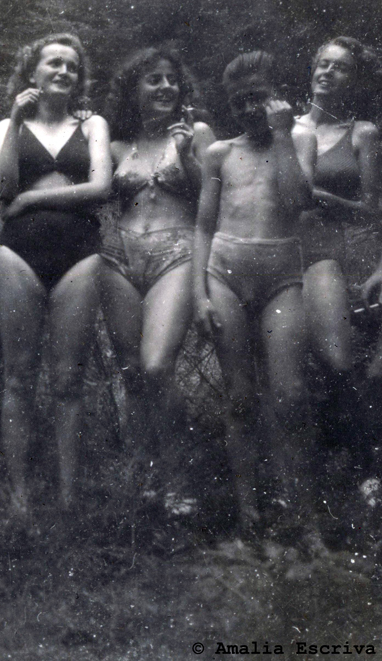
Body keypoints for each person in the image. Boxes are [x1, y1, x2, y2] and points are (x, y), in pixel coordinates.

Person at [192, 52, 320, 546]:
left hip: (281, 272)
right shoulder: (219, 153)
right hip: (225, 271)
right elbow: (204, 226)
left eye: (259, 98)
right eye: (239, 101)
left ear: (278, 97)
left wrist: (283, 134)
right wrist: (199, 293)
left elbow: (296, 201)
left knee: (291, 394)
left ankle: (304, 517)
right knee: (241, 397)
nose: (250, 109)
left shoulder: (299, 139)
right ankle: (249, 516)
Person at [0, 33, 110, 516]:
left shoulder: (93, 124)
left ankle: (68, 497)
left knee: (69, 381)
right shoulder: (9, 125)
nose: (63, 71)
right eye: (53, 63)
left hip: (80, 253)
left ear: (79, 79)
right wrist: (16, 120)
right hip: (19, 254)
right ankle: (19, 497)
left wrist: (32, 198)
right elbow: (1, 189)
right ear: (32, 72)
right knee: (18, 378)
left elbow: (100, 188)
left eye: (72, 66)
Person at [99, 48, 214, 485]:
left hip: (177, 252)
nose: (166, 86)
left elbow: (216, 197)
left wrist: (186, 156)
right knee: (131, 373)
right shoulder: (117, 144)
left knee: (156, 366)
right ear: (134, 90)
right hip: (118, 256)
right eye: (154, 79)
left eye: (172, 79)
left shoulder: (197, 133)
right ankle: (144, 476)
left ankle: (178, 477)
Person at [295, 37, 380, 447]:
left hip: (345, 248)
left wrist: (321, 197)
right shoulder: (287, 129)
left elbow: (372, 209)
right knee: (320, 366)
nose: (328, 72)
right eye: (323, 64)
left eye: (341, 67)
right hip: (293, 251)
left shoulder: (362, 133)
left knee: (351, 362)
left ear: (355, 80)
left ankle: (362, 454)